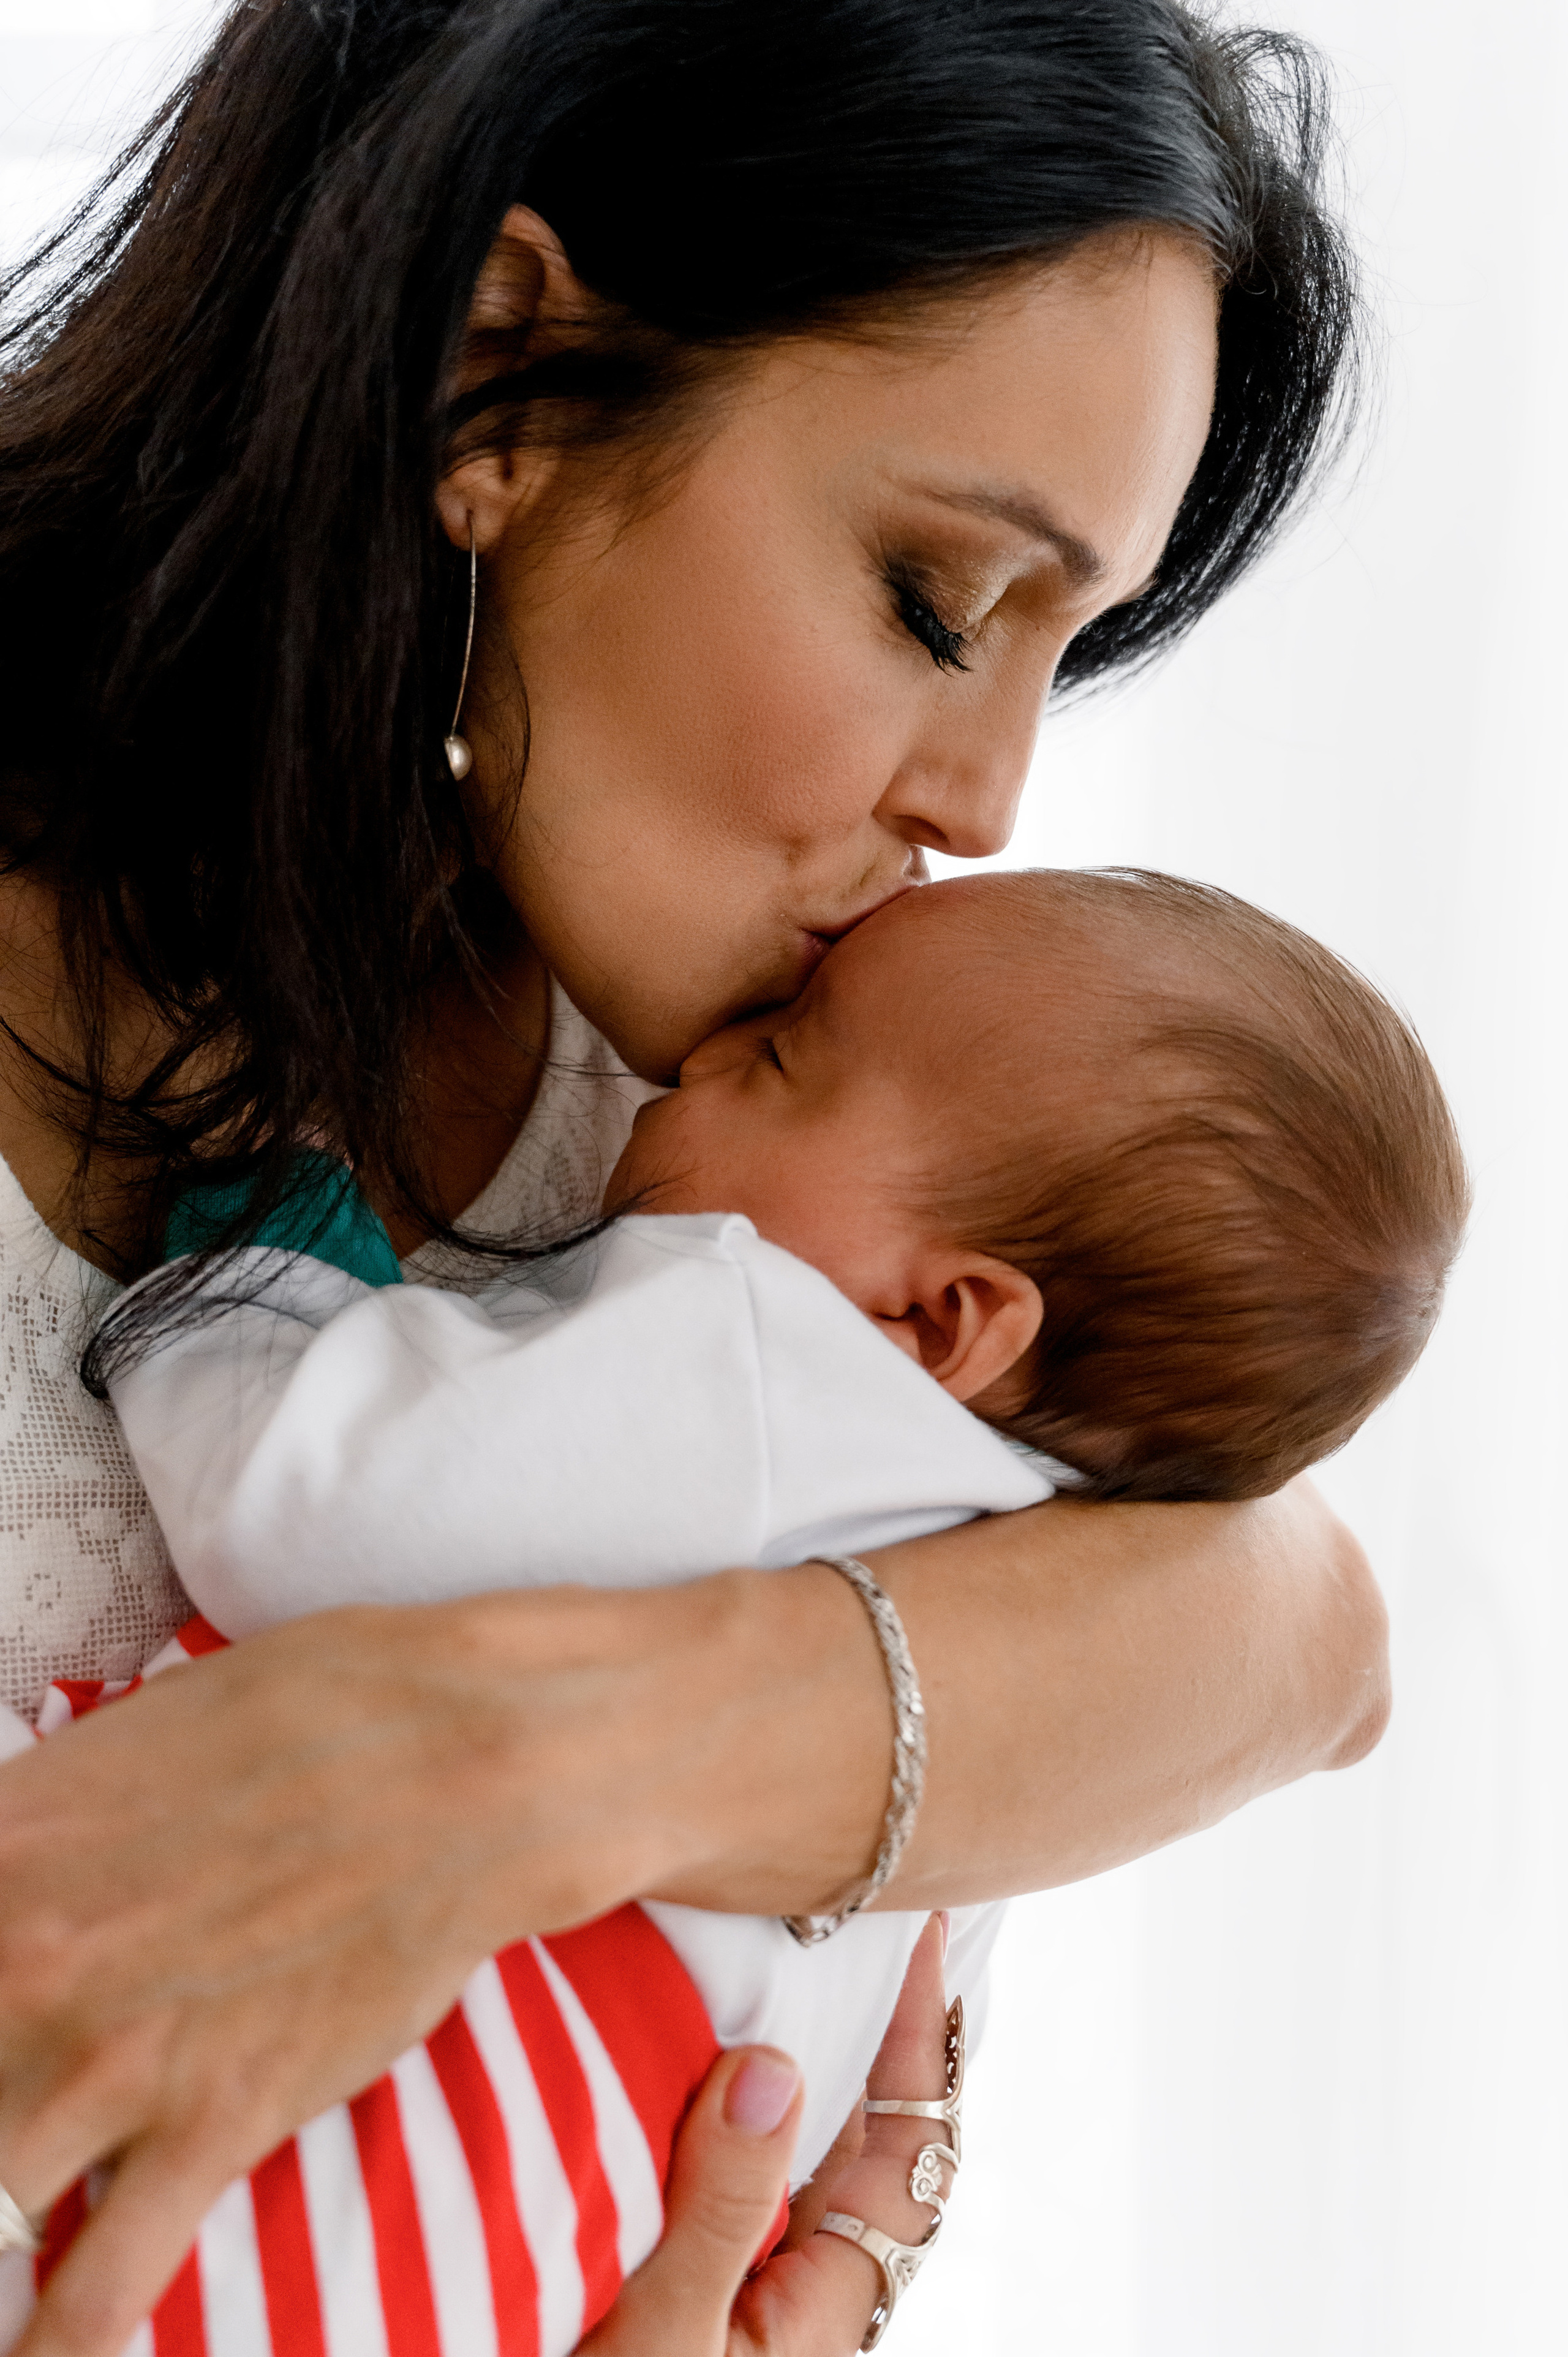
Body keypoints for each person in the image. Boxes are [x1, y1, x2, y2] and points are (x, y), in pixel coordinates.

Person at [0, 4, 1389, 2352]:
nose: (990, 805)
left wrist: (515, 1765)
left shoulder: (732, 1103)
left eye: (1068, 655)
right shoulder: (743, 1078)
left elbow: (1307, 1629)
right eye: (939, 601)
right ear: (503, 380)